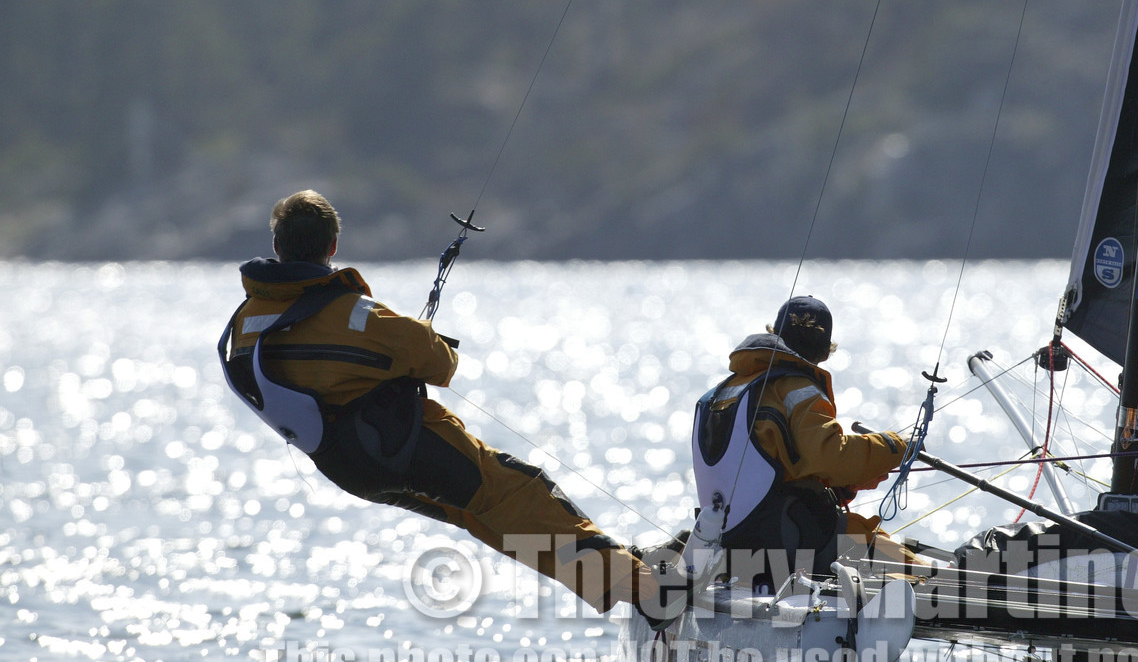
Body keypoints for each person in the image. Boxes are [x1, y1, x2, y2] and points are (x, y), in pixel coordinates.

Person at [219, 190, 676, 623]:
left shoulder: (243, 323)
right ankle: (649, 589)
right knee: (519, 493)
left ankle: (625, 577)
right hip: (403, 448)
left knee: (482, 514)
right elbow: (439, 364)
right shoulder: (354, 314)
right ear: (333, 245)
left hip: (347, 469)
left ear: (277, 246)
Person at [691, 295, 914, 575]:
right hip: (790, 540)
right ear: (825, 351)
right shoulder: (799, 388)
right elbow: (831, 457)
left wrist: (840, 485)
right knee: (916, 570)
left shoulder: (725, 391)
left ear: (775, 334)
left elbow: (764, 467)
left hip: (729, 544)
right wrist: (896, 446)